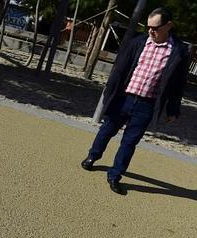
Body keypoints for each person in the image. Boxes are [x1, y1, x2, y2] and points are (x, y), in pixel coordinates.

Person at [81, 7, 190, 195]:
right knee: (107, 130)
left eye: (155, 28)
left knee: (130, 142)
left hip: (147, 105)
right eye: (148, 27)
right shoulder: (138, 42)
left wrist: (173, 109)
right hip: (124, 97)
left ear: (169, 25)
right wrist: (109, 93)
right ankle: (93, 156)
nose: (150, 31)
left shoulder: (178, 51)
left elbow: (178, 84)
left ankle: (115, 176)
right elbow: (119, 69)